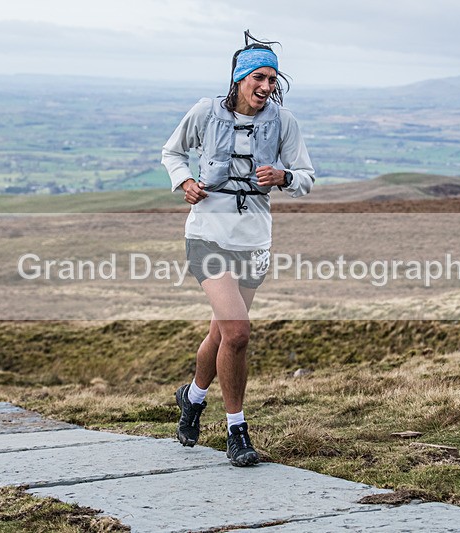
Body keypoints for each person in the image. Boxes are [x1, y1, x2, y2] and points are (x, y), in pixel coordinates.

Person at [161, 30, 315, 467]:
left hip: (254, 240)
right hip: (207, 235)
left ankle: (191, 398)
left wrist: (284, 179)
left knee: (220, 334)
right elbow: (172, 153)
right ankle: (236, 431)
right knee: (238, 333)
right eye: (260, 79)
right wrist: (185, 181)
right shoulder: (205, 113)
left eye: (273, 80)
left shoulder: (283, 122)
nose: (267, 87)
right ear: (240, 78)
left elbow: (305, 176)